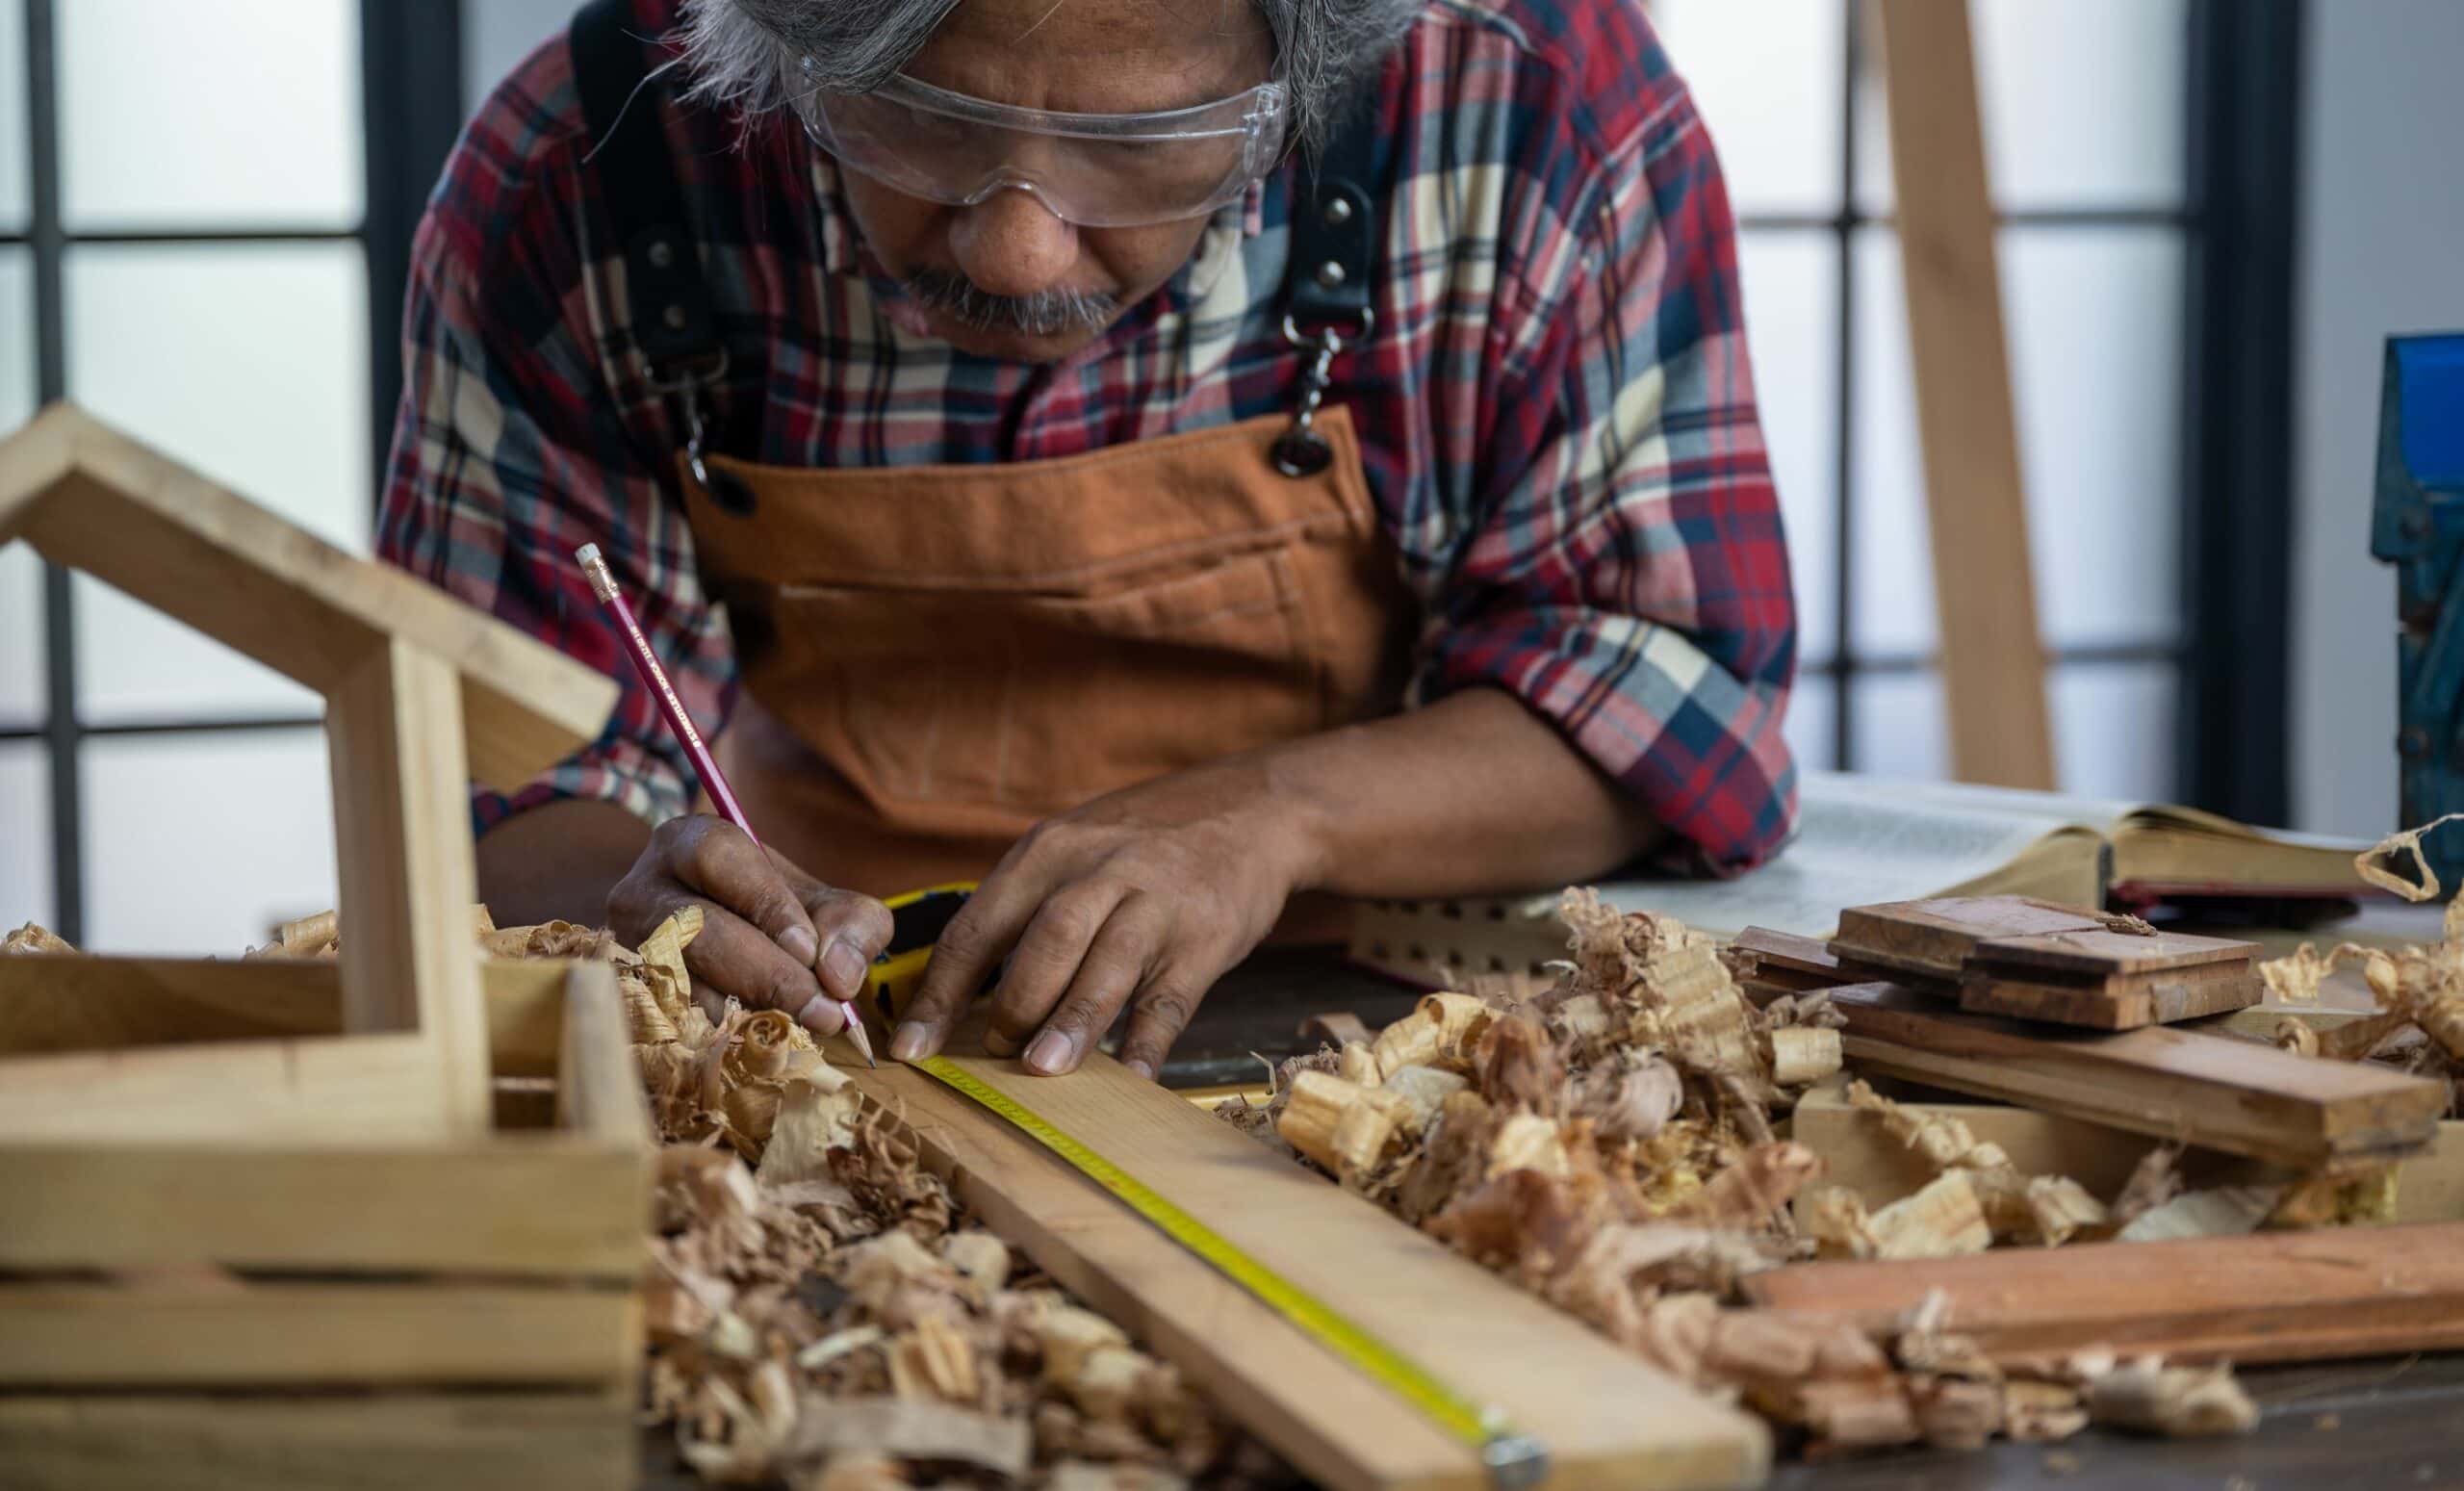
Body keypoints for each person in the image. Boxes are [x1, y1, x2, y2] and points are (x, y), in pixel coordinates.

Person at [378, 0, 1796, 1081]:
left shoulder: (1523, 105)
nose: (1015, 254)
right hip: (835, 1041)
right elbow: (478, 784)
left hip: (1372, 1038)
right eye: (917, 121)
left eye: (1137, 149)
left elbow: (1677, 693)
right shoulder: (591, 168)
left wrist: (1271, 817)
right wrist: (646, 896)